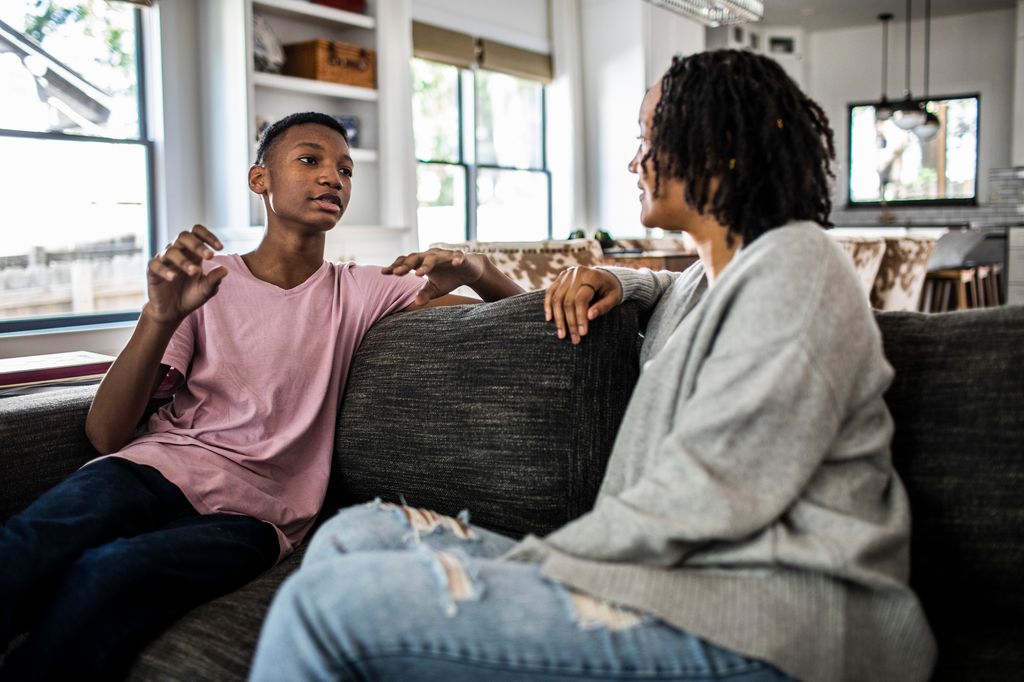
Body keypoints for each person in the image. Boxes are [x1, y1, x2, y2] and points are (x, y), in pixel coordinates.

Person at [248, 51, 937, 682]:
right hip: (675, 584)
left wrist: (521, 569)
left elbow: (704, 499)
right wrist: (618, 278)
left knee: (327, 606)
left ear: (720, 145)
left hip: (772, 623)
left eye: (647, 137)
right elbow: (673, 294)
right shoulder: (713, 277)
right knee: (355, 532)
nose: (634, 160)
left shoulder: (797, 271)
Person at [0, 112, 522, 680]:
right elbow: (106, 435)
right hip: (153, 465)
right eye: (310, 160)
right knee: (28, 544)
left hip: (259, 510)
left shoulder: (362, 289)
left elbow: (519, 325)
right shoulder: (205, 280)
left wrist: (478, 268)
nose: (333, 178)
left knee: (111, 575)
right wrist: (157, 317)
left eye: (345, 169)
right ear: (260, 181)